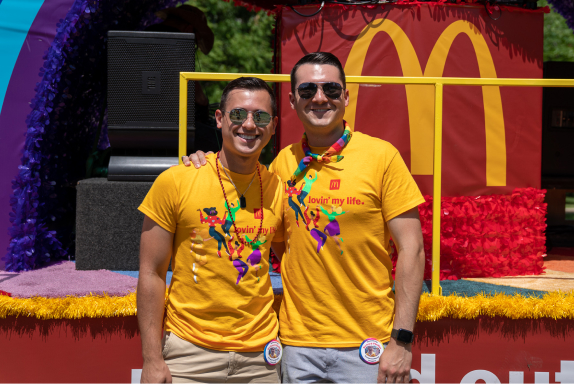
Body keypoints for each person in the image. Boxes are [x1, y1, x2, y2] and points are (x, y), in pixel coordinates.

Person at [183, 52, 425, 383]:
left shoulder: (382, 157)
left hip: (369, 345)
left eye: (331, 90)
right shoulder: (281, 164)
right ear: (293, 101)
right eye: (308, 90)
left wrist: (402, 341)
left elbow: (412, 250)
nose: (320, 98)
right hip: (296, 346)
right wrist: (203, 162)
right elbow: (277, 243)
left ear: (347, 96)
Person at [137, 77, 285, 383]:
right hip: (188, 354)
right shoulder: (177, 181)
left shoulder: (279, 188)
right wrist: (151, 359)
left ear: (272, 126)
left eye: (260, 117)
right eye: (237, 114)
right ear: (219, 119)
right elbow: (150, 272)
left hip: (260, 359)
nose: (248, 125)